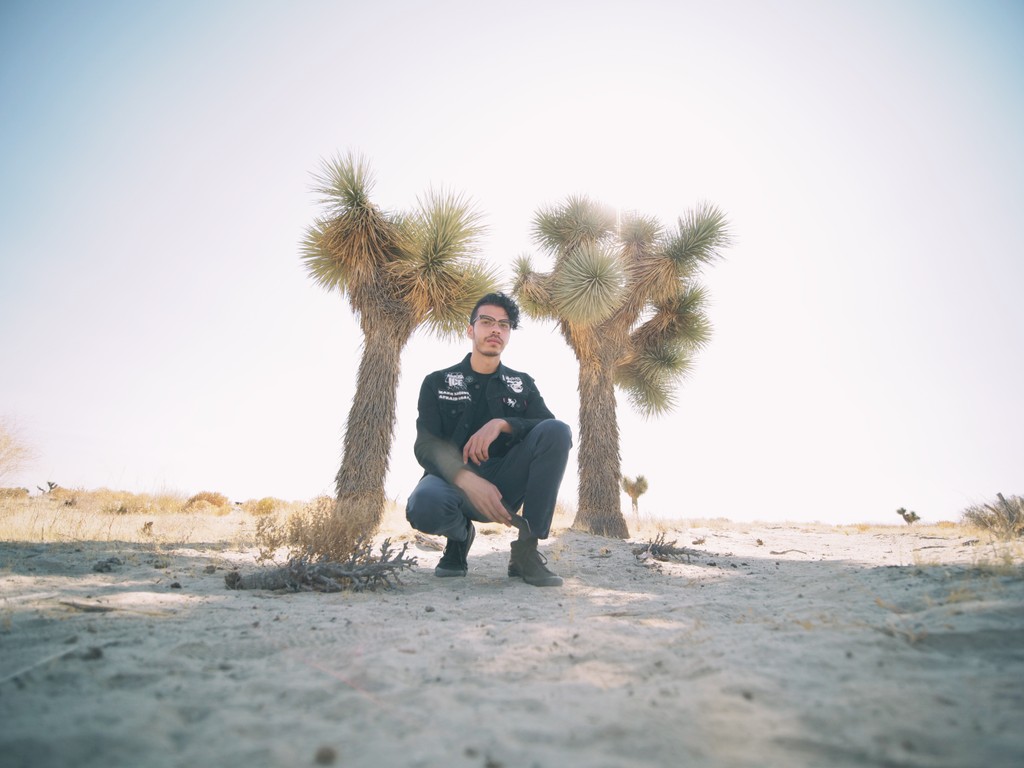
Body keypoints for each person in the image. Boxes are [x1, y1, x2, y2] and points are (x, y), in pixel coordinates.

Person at [405, 292, 572, 587]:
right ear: (471, 330)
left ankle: (526, 551)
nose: (496, 329)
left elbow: (548, 427)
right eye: (487, 321)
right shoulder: (437, 381)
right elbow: (425, 445)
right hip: (451, 483)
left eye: (504, 325)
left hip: (505, 483)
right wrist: (467, 479)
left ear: (508, 335)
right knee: (424, 506)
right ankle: (459, 538)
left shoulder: (522, 384)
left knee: (558, 430)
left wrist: (503, 424)